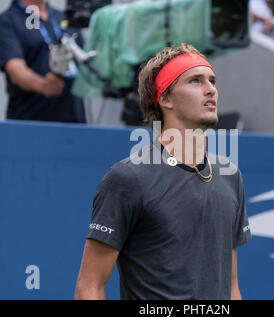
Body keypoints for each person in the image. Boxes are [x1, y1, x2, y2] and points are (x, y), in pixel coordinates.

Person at [74, 43, 252, 300]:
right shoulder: (128, 178)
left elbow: (231, 287)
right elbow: (89, 287)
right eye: (195, 81)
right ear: (165, 98)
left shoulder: (230, 176)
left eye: (212, 81)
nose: (210, 89)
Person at [0, 0, 86, 123]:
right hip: (32, 121)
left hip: (74, 118)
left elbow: (87, 59)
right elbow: (16, 70)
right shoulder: (8, 20)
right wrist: (42, 85)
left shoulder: (63, 17)